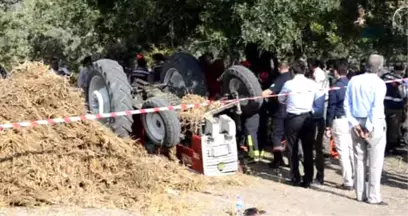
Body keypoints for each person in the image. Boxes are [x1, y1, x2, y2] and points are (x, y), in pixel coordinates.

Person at [344, 54, 387, 205]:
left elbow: (346, 103)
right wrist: (368, 126)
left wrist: (354, 123)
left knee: (359, 159)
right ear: (380, 67)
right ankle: (373, 196)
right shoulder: (380, 83)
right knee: (375, 162)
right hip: (374, 123)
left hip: (356, 120)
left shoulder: (354, 80)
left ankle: (360, 193)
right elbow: (376, 107)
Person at [278, 60, 324, 188]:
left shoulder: (289, 84)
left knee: (292, 149)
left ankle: (295, 177)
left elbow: (280, 98)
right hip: (308, 117)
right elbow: (318, 101)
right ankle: (308, 178)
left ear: (292, 71)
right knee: (308, 149)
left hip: (292, 118)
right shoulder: (312, 84)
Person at [325, 61, 354, 190]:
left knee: (343, 153)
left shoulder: (335, 87)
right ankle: (356, 177)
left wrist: (328, 126)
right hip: (352, 121)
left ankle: (348, 181)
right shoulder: (352, 85)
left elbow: (331, 107)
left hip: (339, 120)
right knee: (352, 150)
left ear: (336, 71)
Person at [261, 59, 293, 168]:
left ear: (279, 69)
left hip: (280, 111)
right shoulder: (292, 77)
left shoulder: (281, 79)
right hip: (291, 110)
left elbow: (268, 92)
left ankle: (278, 160)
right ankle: (292, 160)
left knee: (276, 135)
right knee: (289, 135)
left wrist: (255, 94)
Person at [309, 59, 330, 184]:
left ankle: (317, 174)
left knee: (315, 146)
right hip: (320, 107)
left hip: (316, 110)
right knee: (316, 147)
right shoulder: (322, 73)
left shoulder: (317, 75)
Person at [381, 62, 406, 155]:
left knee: (384, 126)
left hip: (383, 105)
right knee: (393, 128)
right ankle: (390, 148)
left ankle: (383, 146)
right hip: (395, 106)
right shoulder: (401, 80)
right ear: (402, 70)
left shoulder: (384, 76)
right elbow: (403, 93)